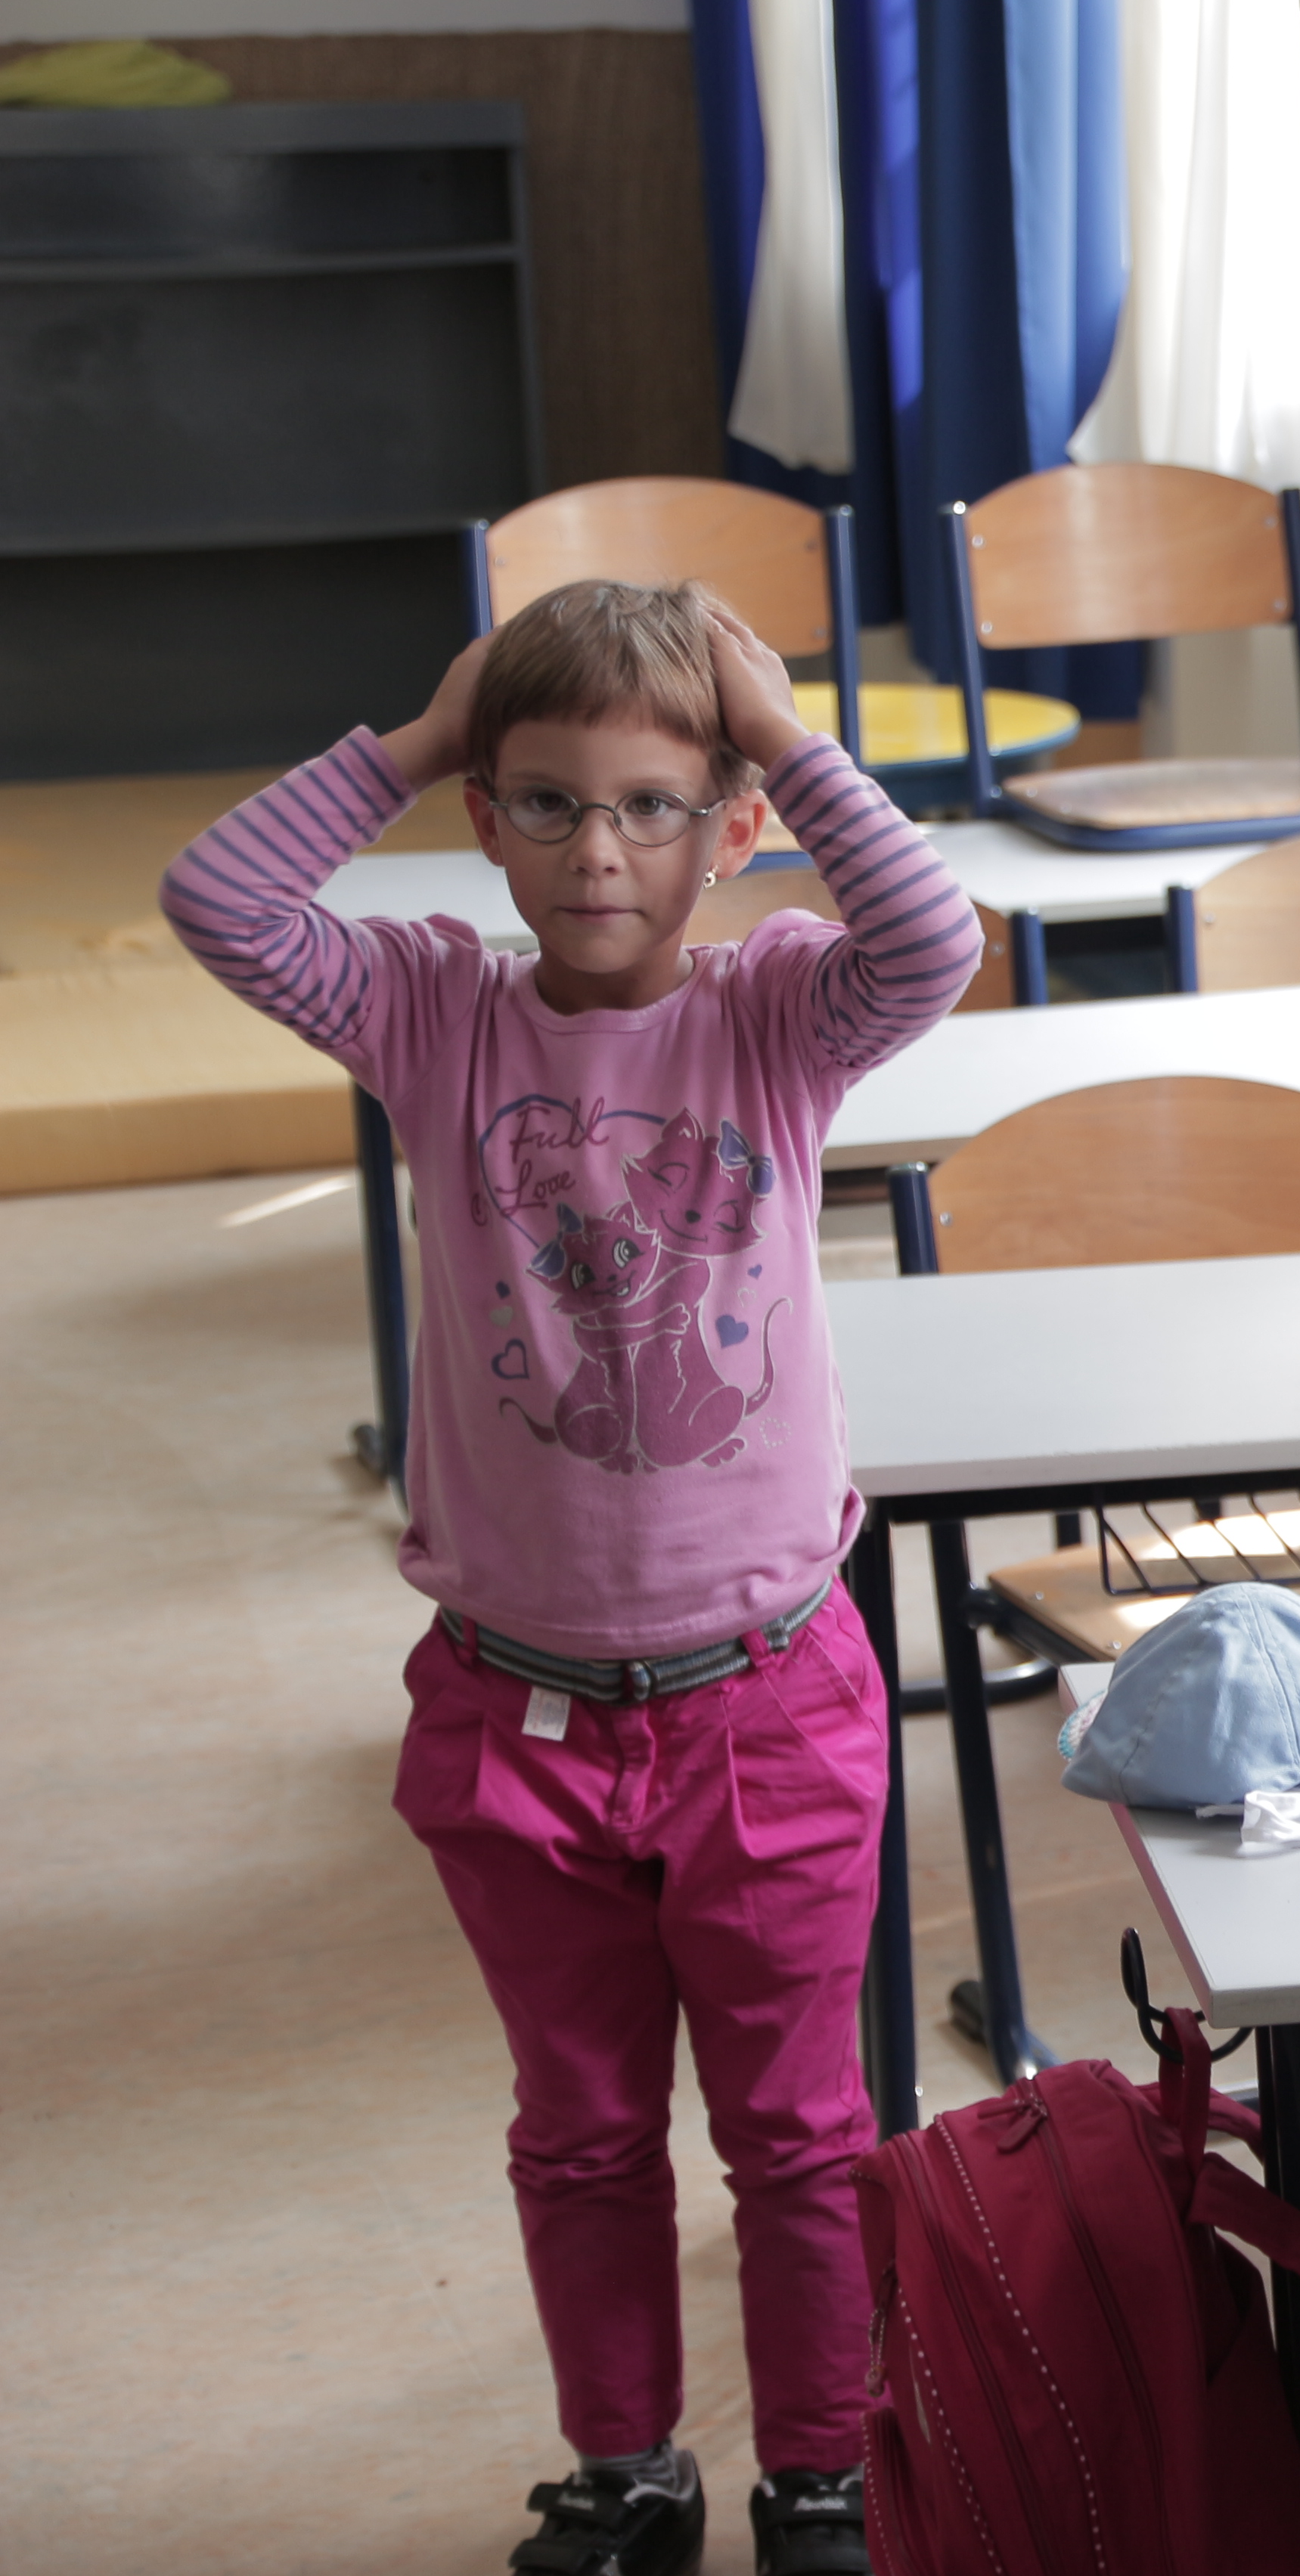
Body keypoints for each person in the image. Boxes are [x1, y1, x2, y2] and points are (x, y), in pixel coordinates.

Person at [160, 581, 982, 2576]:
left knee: (798, 2135)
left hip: (766, 1701)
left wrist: (783, 736)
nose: (597, 850)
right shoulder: (432, 1013)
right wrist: (423, 736)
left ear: (729, 829)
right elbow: (218, 902)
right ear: (487, 819)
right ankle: (628, 2469)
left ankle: (819, 2475)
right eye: (545, 802)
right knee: (585, 2132)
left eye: (648, 805)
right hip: (514, 1707)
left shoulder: (774, 1018)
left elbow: (934, 939)